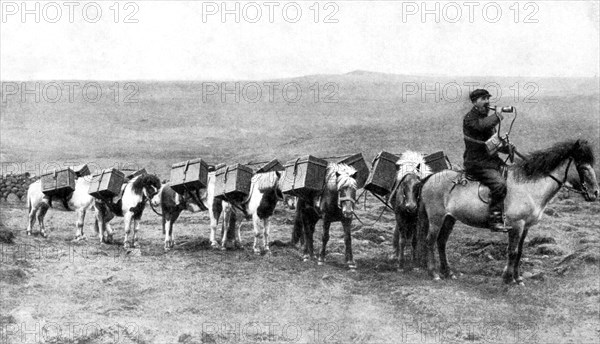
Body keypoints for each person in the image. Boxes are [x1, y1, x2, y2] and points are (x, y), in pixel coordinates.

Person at [463, 89, 512, 232]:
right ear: (474, 102)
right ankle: (495, 220)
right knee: (499, 184)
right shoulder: (470, 118)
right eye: (483, 99)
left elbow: (492, 142)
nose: (487, 101)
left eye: (487, 98)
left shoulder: (485, 118)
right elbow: (481, 126)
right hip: (477, 163)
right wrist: (498, 114)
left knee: (512, 175)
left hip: (490, 161)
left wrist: (507, 148)